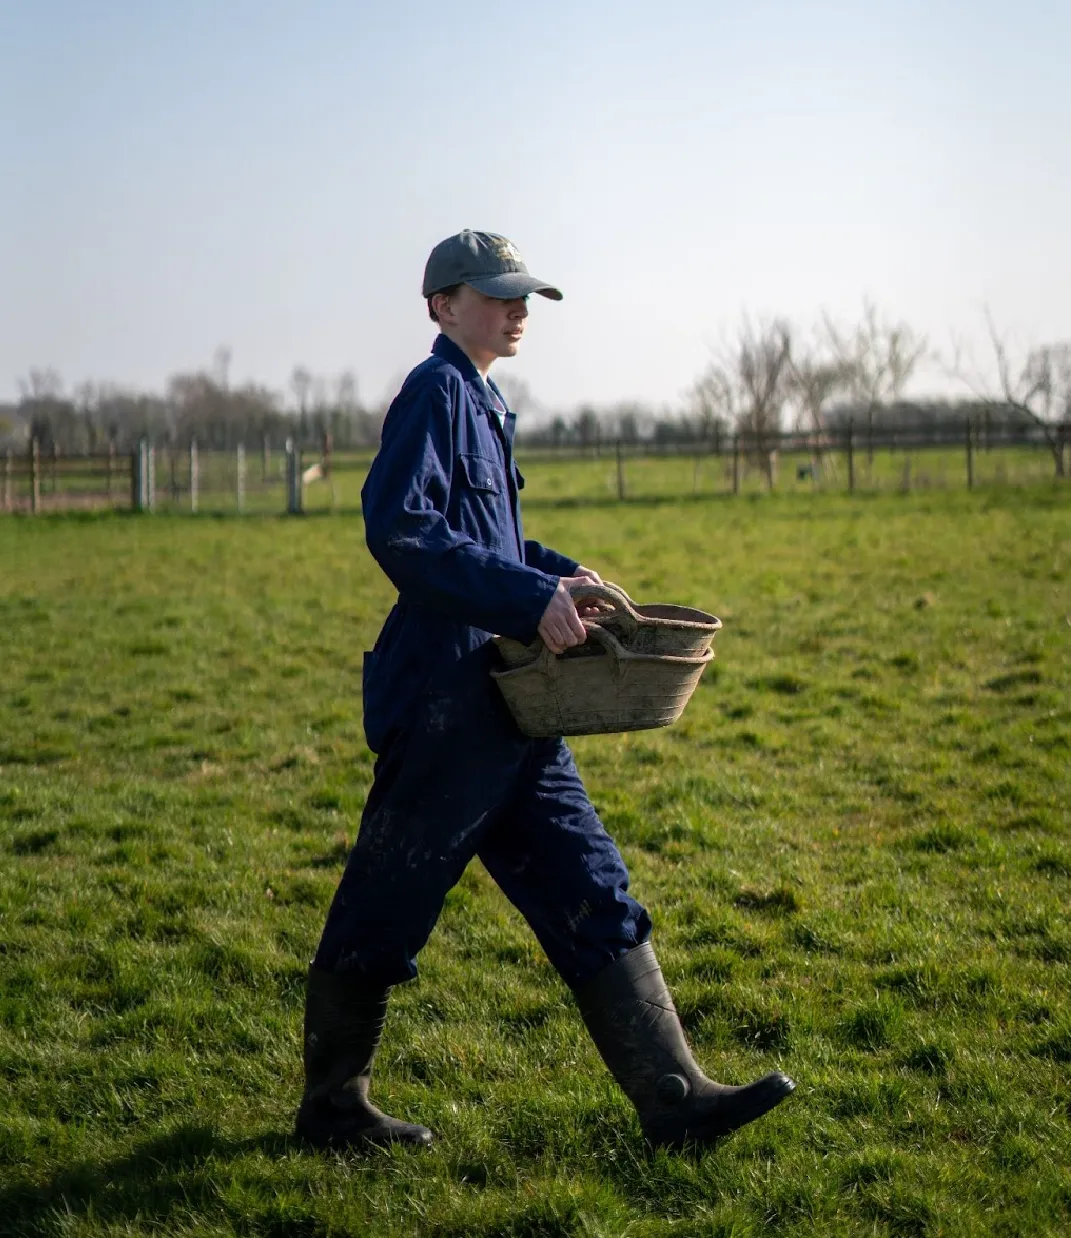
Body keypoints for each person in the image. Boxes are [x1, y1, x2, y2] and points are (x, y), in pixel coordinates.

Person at [294, 230, 795, 1151]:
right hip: (446, 703)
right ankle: (332, 1108)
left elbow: (485, 541)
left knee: (590, 883)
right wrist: (529, 597)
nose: (517, 308)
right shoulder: (434, 392)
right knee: (386, 904)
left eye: (522, 294)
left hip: (516, 703)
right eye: (495, 294)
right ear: (443, 305)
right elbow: (401, 533)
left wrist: (560, 574)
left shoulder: (483, 401)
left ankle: (674, 1099)